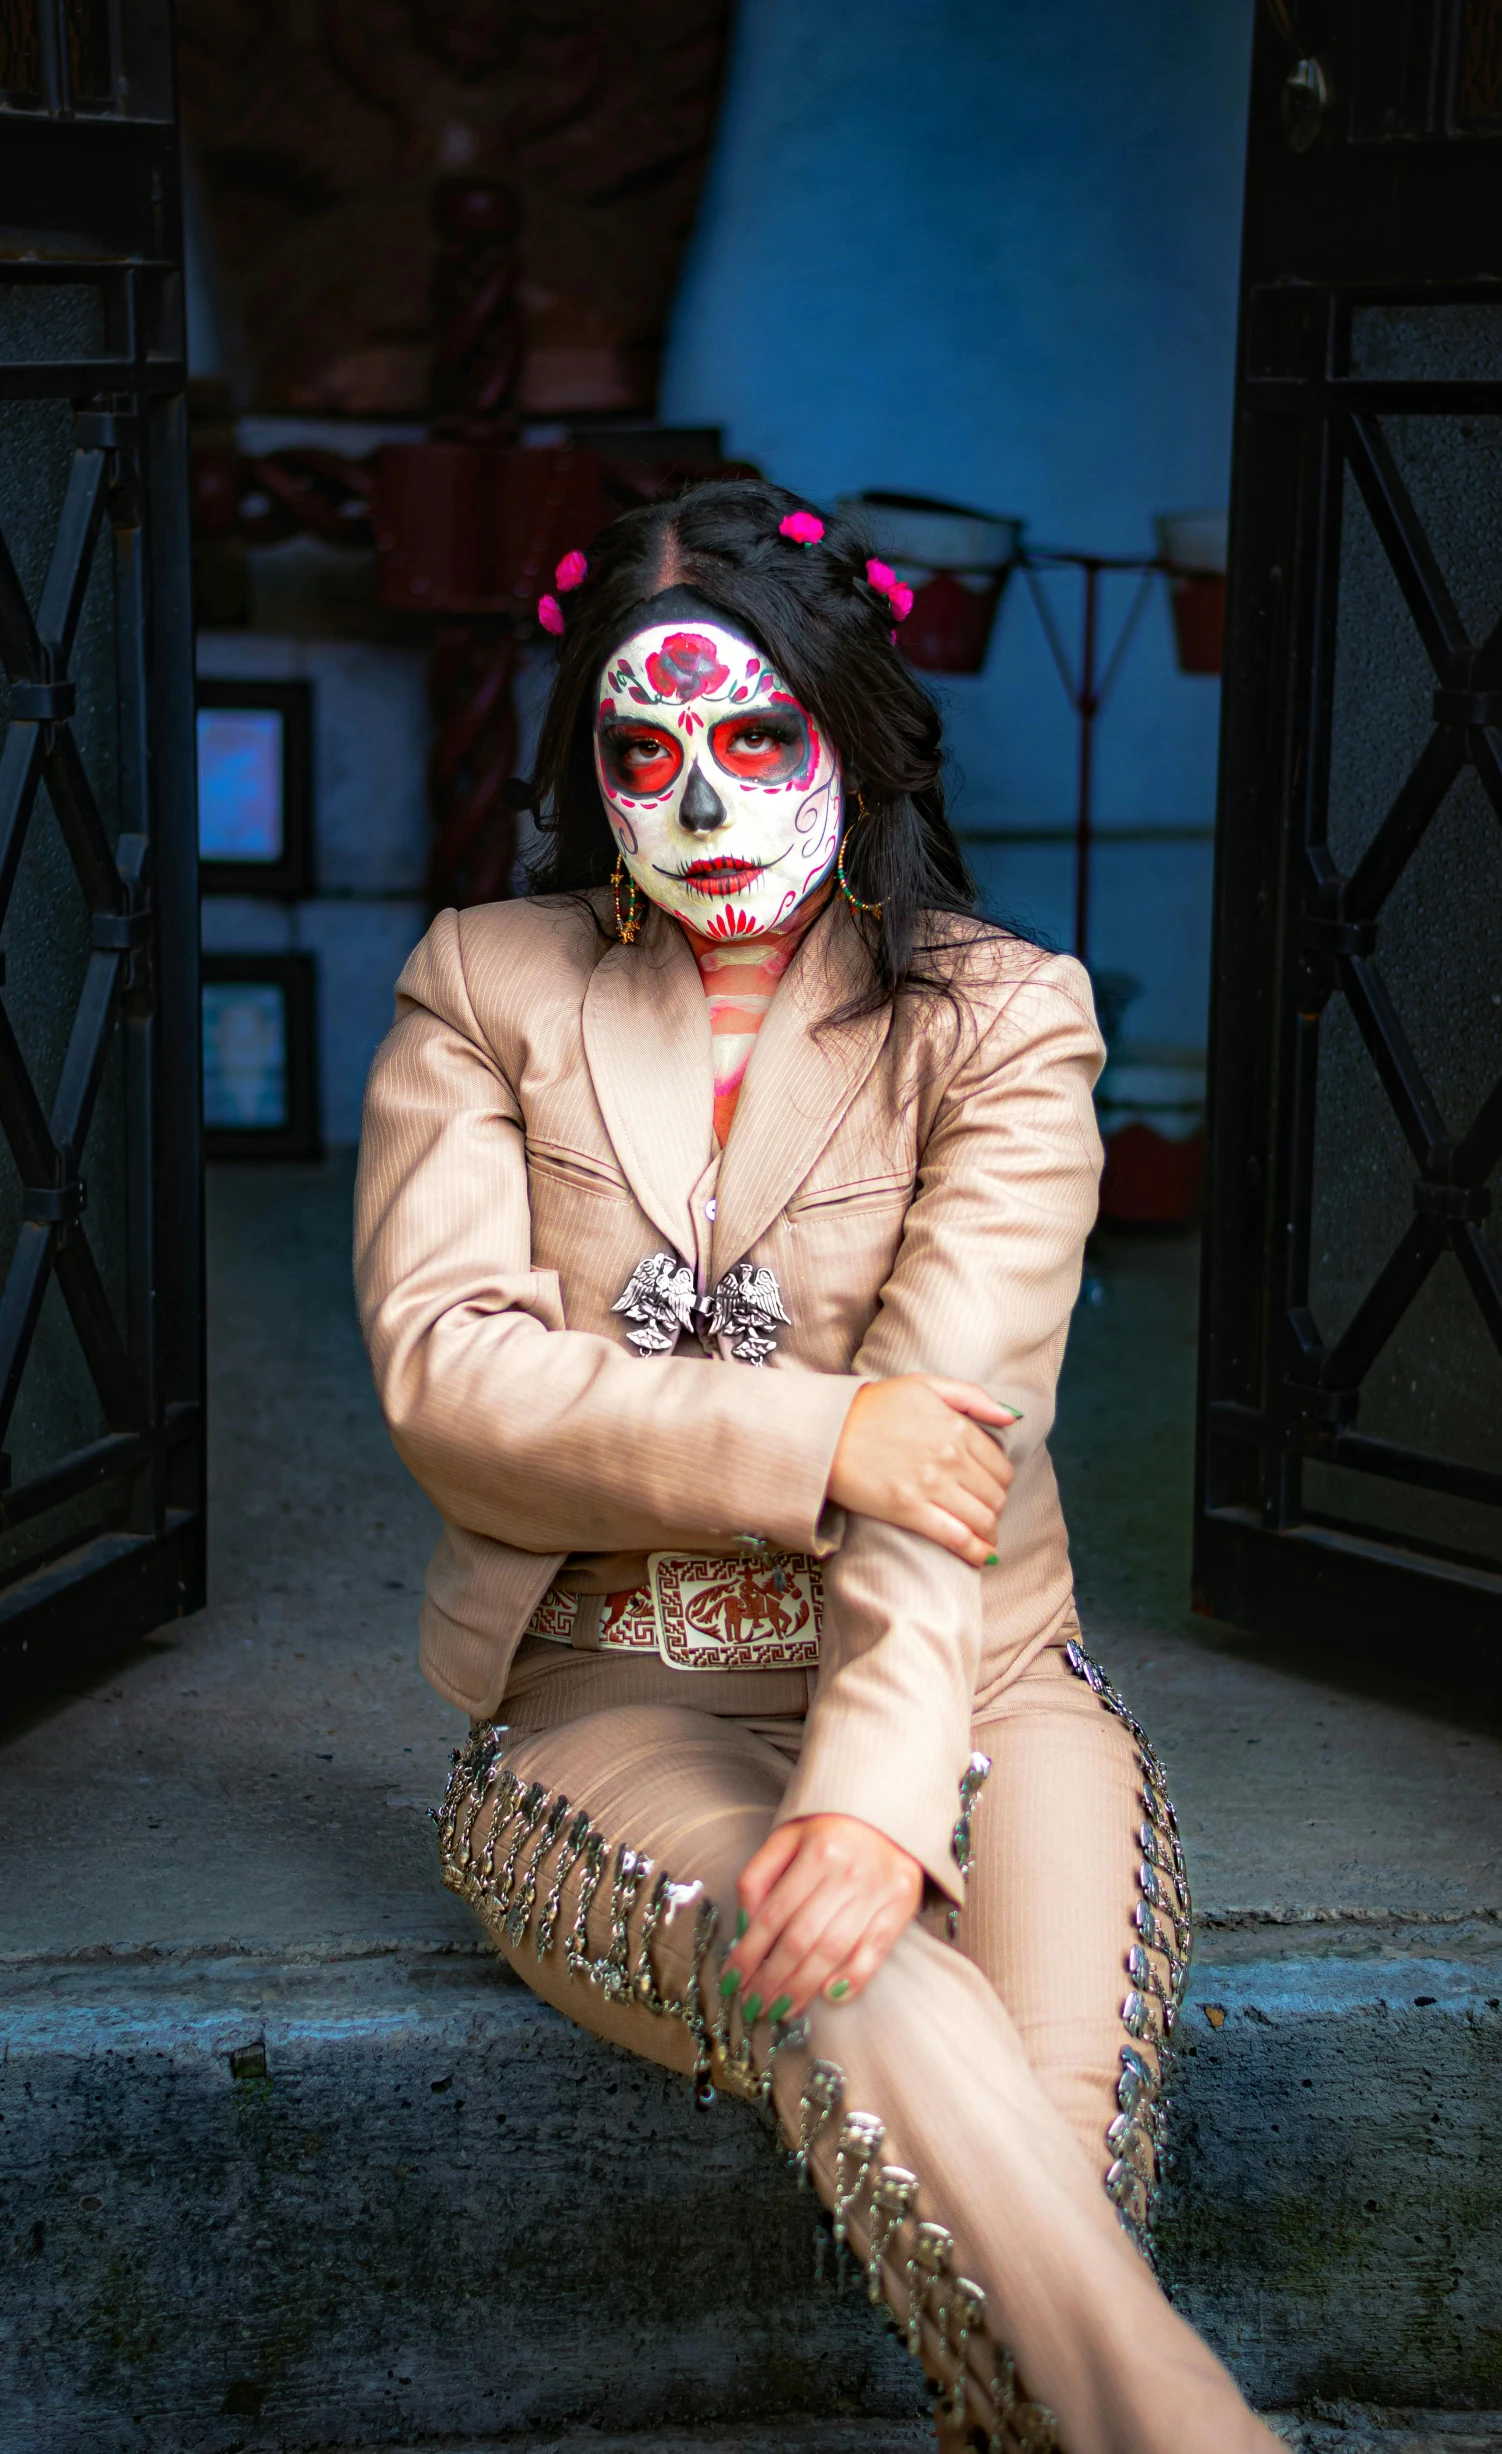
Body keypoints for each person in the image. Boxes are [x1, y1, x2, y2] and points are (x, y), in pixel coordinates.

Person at [354, 479, 1279, 2454]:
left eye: (755, 737)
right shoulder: (480, 992)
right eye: (644, 750)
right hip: (614, 1691)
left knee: (1038, 2139)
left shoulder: (1007, 1023)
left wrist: (872, 1797)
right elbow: (452, 1379)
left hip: (975, 1687)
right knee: (861, 1991)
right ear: (585, 769)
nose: (701, 799)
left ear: (850, 732)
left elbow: (955, 1435)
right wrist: (820, 1428)